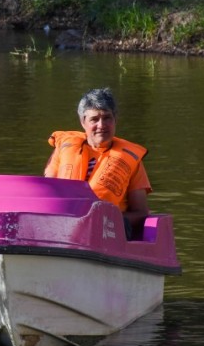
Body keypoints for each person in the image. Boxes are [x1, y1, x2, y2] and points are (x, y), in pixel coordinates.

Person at [43, 88, 151, 240]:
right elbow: (47, 195)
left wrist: (108, 220)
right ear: (83, 122)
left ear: (115, 120)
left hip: (107, 232)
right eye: (94, 119)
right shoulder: (63, 150)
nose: (102, 125)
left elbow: (141, 212)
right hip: (63, 226)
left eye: (107, 118)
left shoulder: (132, 160)